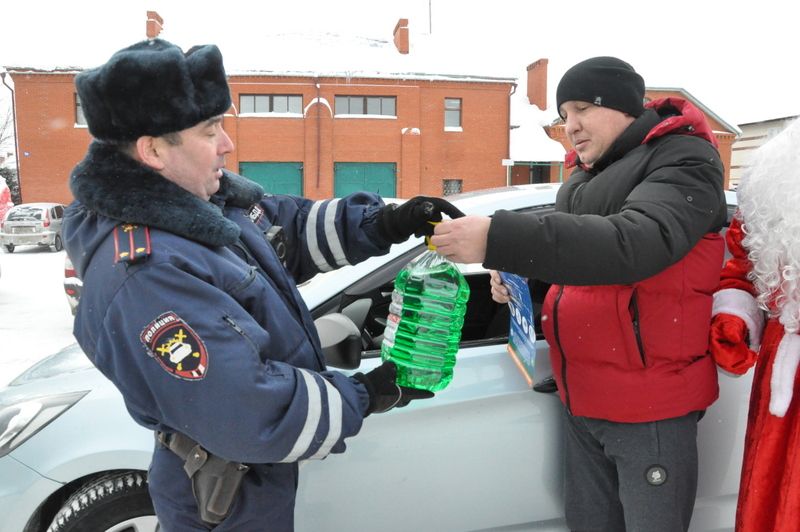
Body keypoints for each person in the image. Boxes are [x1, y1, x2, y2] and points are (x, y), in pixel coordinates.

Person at [62, 38, 461, 531]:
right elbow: (245, 410)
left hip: (249, 483)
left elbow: (280, 233)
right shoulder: (151, 273)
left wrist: (387, 223)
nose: (228, 144)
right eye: (210, 131)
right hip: (225, 497)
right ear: (153, 151)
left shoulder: (201, 210)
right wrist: (370, 393)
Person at [430, 56, 727, 531]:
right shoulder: (585, 179)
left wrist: (499, 238)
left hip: (649, 409)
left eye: (583, 108)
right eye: (564, 114)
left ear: (626, 107)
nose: (571, 126)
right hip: (582, 398)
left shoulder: (684, 160)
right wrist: (523, 279)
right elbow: (584, 268)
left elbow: (635, 244)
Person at [707, 118, 800, 532]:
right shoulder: (777, 167)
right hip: (787, 376)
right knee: (773, 501)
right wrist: (735, 314)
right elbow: (744, 265)